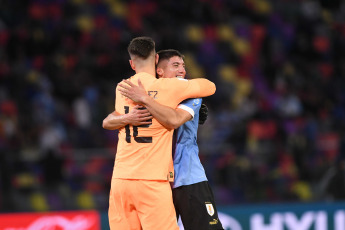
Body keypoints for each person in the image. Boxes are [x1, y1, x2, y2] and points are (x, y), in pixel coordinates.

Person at [103, 37, 216, 230]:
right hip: (152, 180)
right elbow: (210, 86)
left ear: (131, 63)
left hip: (121, 179)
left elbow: (107, 121)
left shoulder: (122, 88)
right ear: (156, 60)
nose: (182, 70)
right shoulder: (169, 87)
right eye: (176, 65)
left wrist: (126, 119)